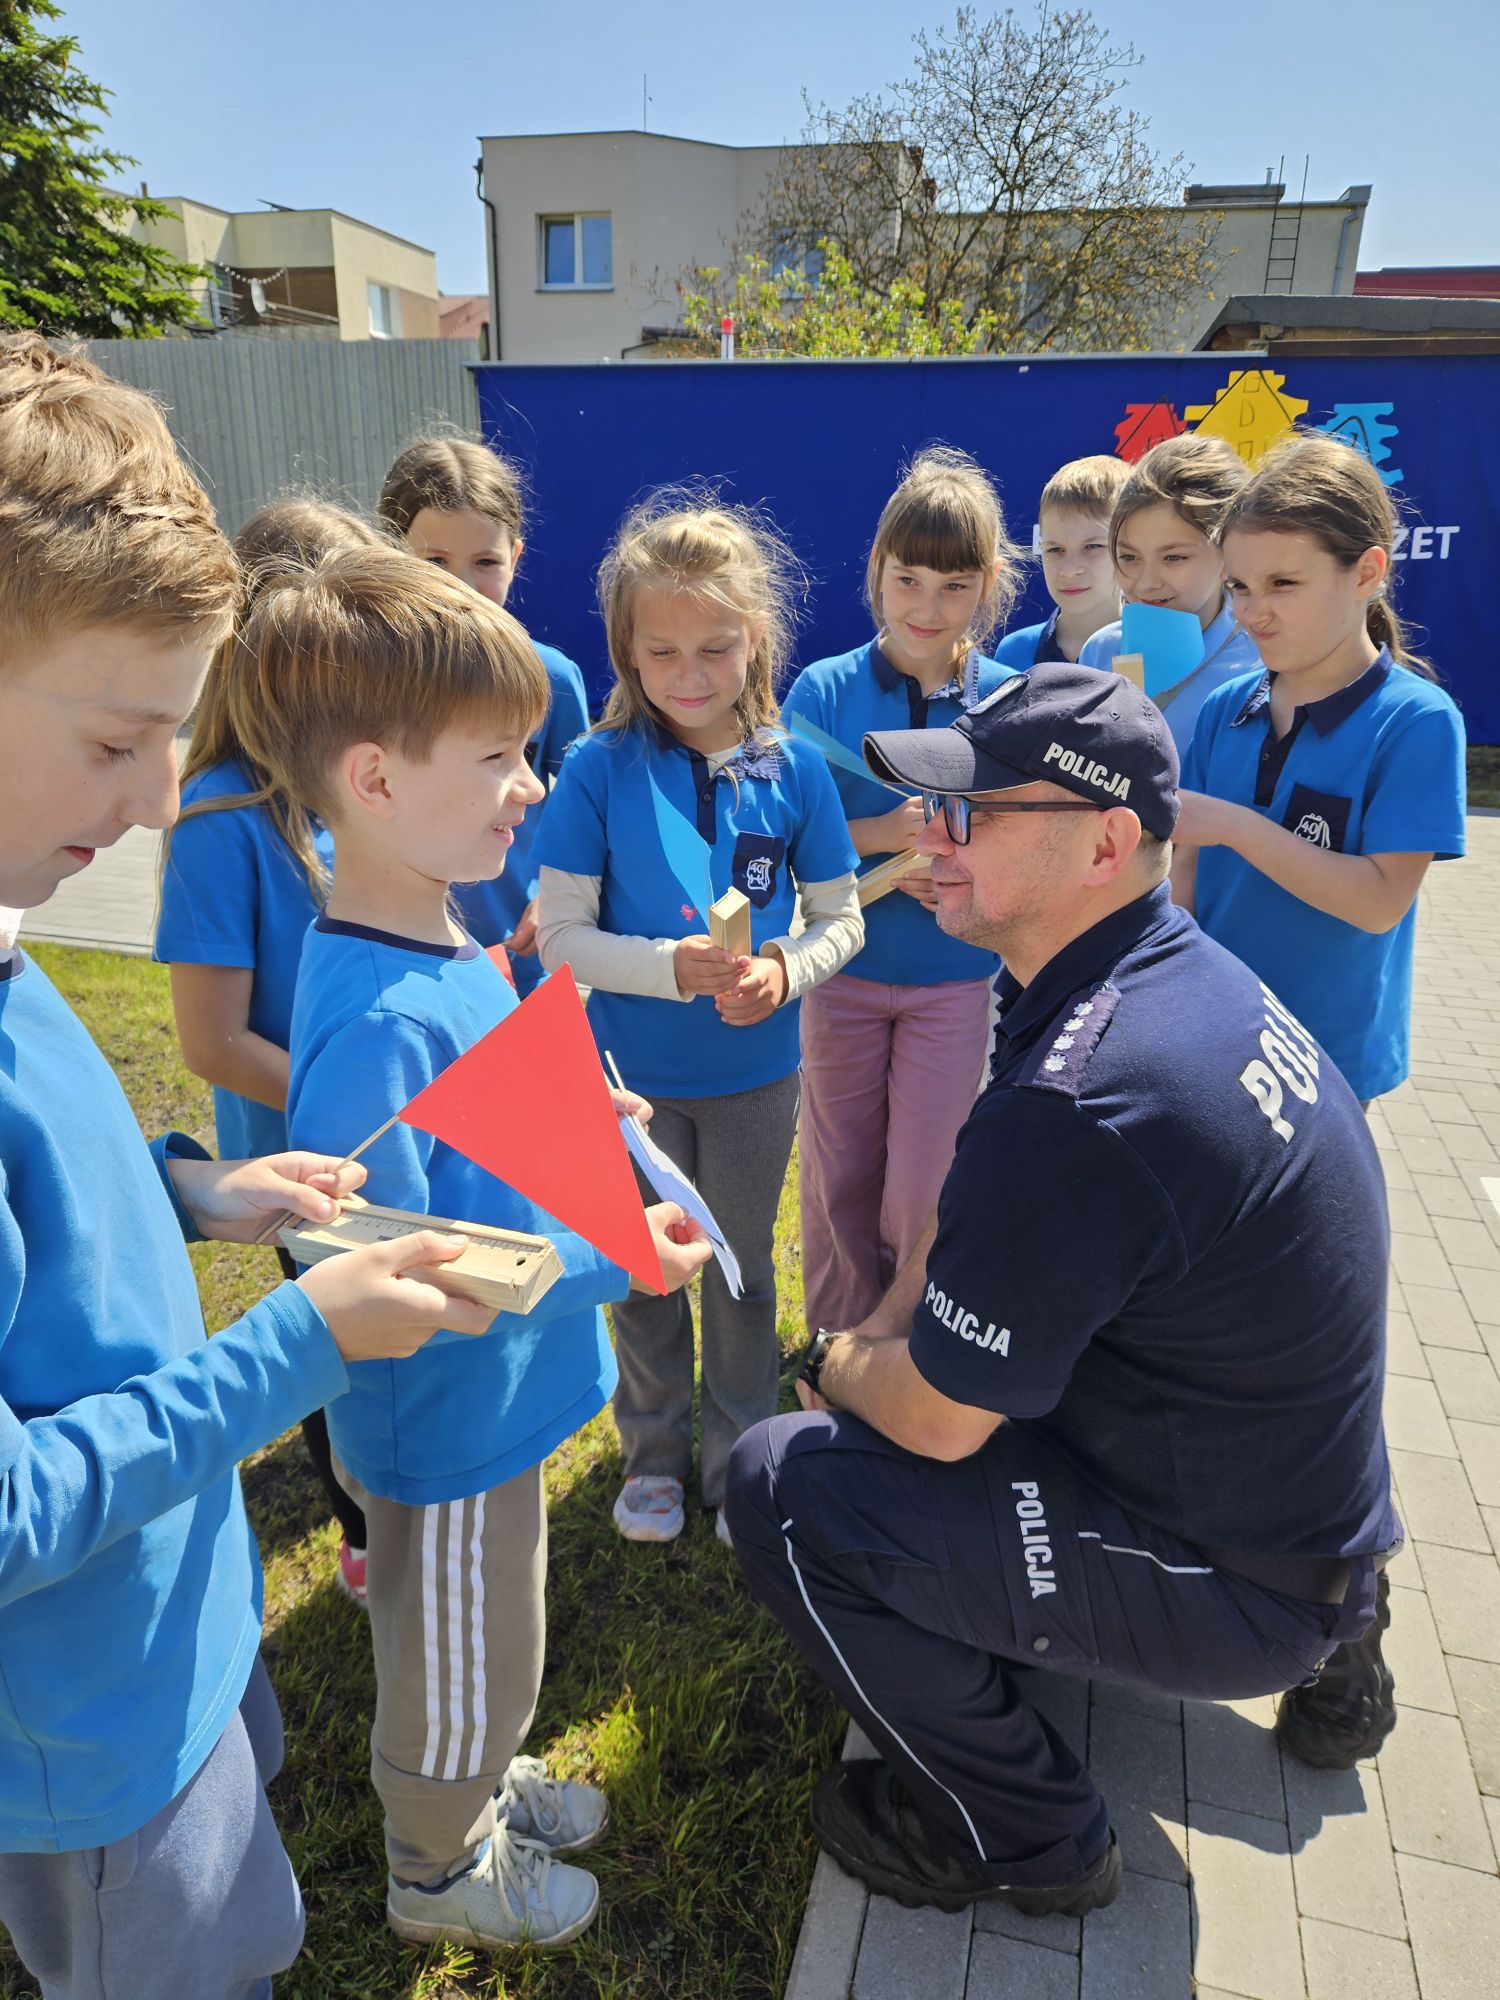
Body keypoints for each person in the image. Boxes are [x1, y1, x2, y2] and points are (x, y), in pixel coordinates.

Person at [724, 662, 1401, 1920]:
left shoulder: (1090, 1093)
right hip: (1304, 1502)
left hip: (1247, 1574)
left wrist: (833, 1357)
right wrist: (893, 1328)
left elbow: (934, 1418)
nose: (934, 833)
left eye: (974, 810)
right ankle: (1346, 1641)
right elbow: (980, 1228)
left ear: (1106, 842)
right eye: (938, 802)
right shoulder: (1160, 978)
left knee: (783, 1483)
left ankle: (1027, 1838)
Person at [0, 336, 498, 1999]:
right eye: (114, 741)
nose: (156, 804)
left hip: (171, 1632)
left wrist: (185, 1190)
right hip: (88, 1734)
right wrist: (297, 1341)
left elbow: (40, 1214)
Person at [250, 543, 711, 1950]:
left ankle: (479, 1779)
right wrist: (607, 1258)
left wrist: (576, 1104)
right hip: (444, 1428)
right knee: (457, 1657)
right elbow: (376, 1254)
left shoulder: (438, 928)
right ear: (379, 782)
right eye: (503, 758)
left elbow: (476, 1102)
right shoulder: (377, 1010)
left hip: (494, 1410)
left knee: (493, 1646)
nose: (534, 782)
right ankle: (437, 1871)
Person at [537, 494, 861, 1543]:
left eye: (715, 646)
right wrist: (667, 969)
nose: (689, 673)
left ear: (755, 635)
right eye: (662, 649)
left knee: (741, 1268)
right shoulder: (593, 769)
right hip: (625, 1080)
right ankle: (651, 1454)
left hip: (758, 1079)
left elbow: (840, 913)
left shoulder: (796, 765)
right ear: (627, 648)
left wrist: (785, 968)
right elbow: (559, 937)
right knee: (641, 1264)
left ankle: (737, 1452)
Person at [156, 497, 383, 1607]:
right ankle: (359, 1524)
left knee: (398, 1339)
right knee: (333, 1344)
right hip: (301, 1158)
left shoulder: (361, 780)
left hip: (392, 1135)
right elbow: (212, 1039)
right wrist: (348, 1090)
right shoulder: (219, 813)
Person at [781, 447, 1020, 1342]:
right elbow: (790, 838)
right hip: (837, 978)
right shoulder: (822, 689)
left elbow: (1017, 838)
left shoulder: (1004, 701)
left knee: (924, 1185)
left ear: (989, 586)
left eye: (954, 586)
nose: (926, 607)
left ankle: (900, 1347)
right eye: (907, 578)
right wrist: (887, 838)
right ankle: (837, 1346)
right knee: (840, 1176)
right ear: (875, 571)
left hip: (954, 984)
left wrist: (965, 866)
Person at [1173, 431, 1467, 1109]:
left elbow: (1377, 902)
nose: (1251, 612)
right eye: (1239, 586)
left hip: (1326, 1063)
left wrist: (1239, 827)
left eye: (1283, 583)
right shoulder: (1226, 709)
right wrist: (1175, 991)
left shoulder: (1416, 720)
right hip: (1214, 1034)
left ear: (1366, 571)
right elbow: (1182, 871)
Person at [378, 435, 589, 994]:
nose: (460, 586)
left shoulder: (552, 680)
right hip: (393, 952)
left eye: (486, 562)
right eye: (435, 561)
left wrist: (558, 897)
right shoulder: (365, 683)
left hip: (516, 960)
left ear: (516, 558)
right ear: (391, 554)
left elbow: (591, 808)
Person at [1080, 434, 1261, 751]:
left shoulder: (1262, 661)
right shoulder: (1100, 651)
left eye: (1174, 557)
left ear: (1228, 553)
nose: (1147, 582)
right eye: (1129, 557)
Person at [995, 453, 1127, 667]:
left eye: (1092, 547)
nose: (1069, 570)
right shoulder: (1015, 654)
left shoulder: (1154, 649)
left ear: (1128, 549)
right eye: (1055, 549)